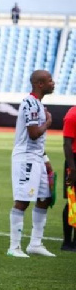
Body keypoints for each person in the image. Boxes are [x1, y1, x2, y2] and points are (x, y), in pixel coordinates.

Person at [7, 71, 56, 257]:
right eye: (50, 80)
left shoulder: (38, 103)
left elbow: (37, 140)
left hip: (36, 157)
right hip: (26, 158)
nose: (53, 83)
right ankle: (14, 247)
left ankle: (35, 244)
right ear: (40, 84)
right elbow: (34, 133)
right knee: (23, 200)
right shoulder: (29, 103)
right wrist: (48, 123)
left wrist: (45, 160)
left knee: (44, 197)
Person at [62, 105, 76, 251]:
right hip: (74, 162)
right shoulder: (72, 115)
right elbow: (67, 144)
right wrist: (72, 168)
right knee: (72, 202)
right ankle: (67, 242)